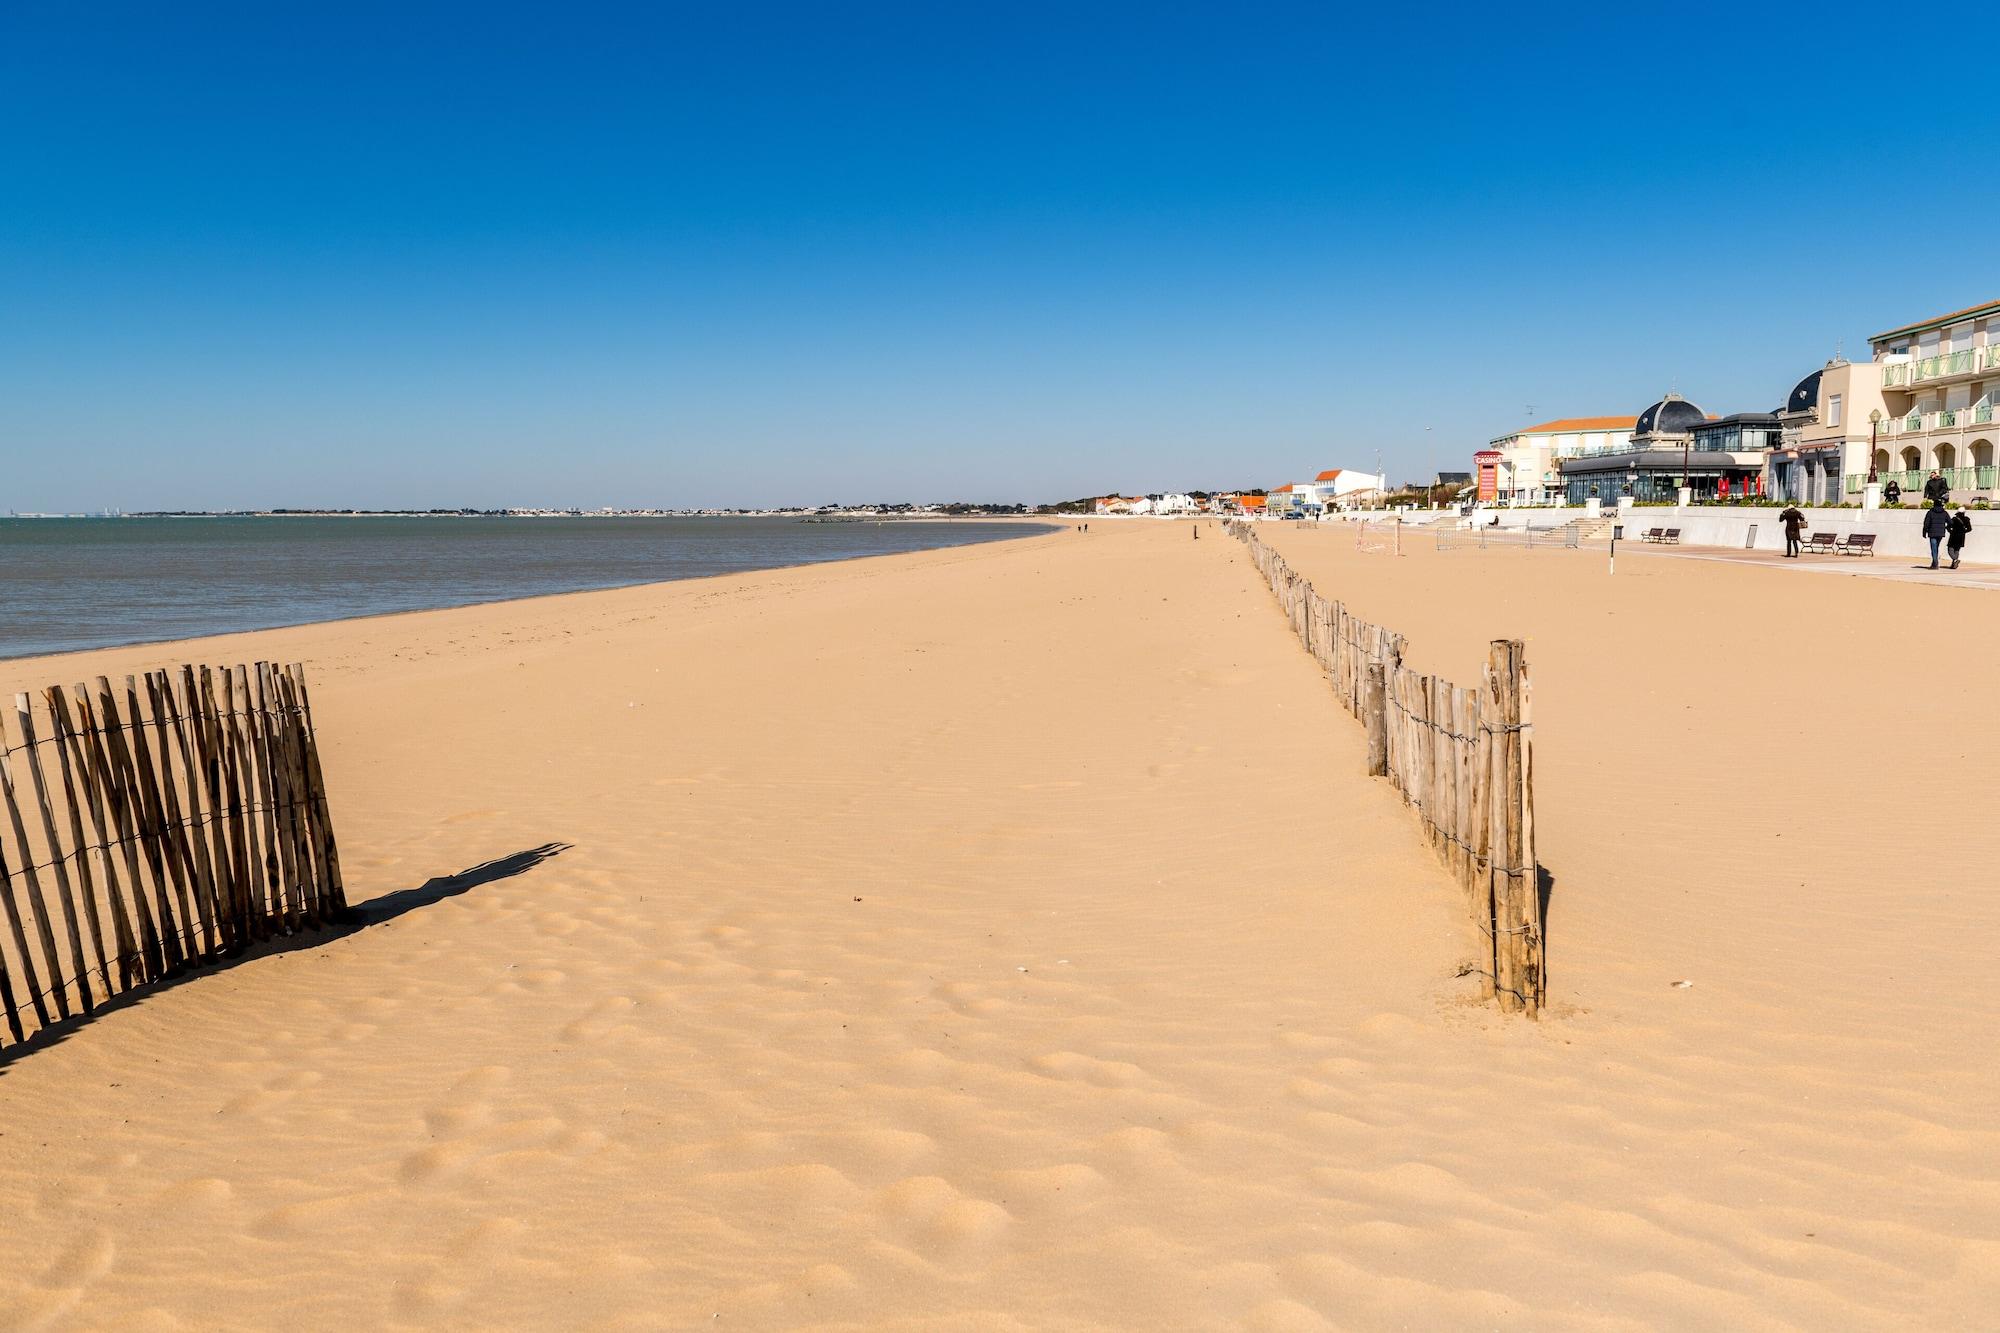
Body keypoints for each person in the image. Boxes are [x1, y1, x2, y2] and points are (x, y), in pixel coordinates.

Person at [1922, 500, 1951, 569]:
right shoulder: (1944, 513)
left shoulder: (1930, 513)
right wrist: (1946, 527)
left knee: (1934, 549)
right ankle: (1934, 563)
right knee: (1936, 548)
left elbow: (1926, 523)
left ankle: (1935, 563)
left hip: (1932, 533)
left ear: (1934, 505)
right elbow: (1950, 522)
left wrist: (1924, 532)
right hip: (1941, 533)